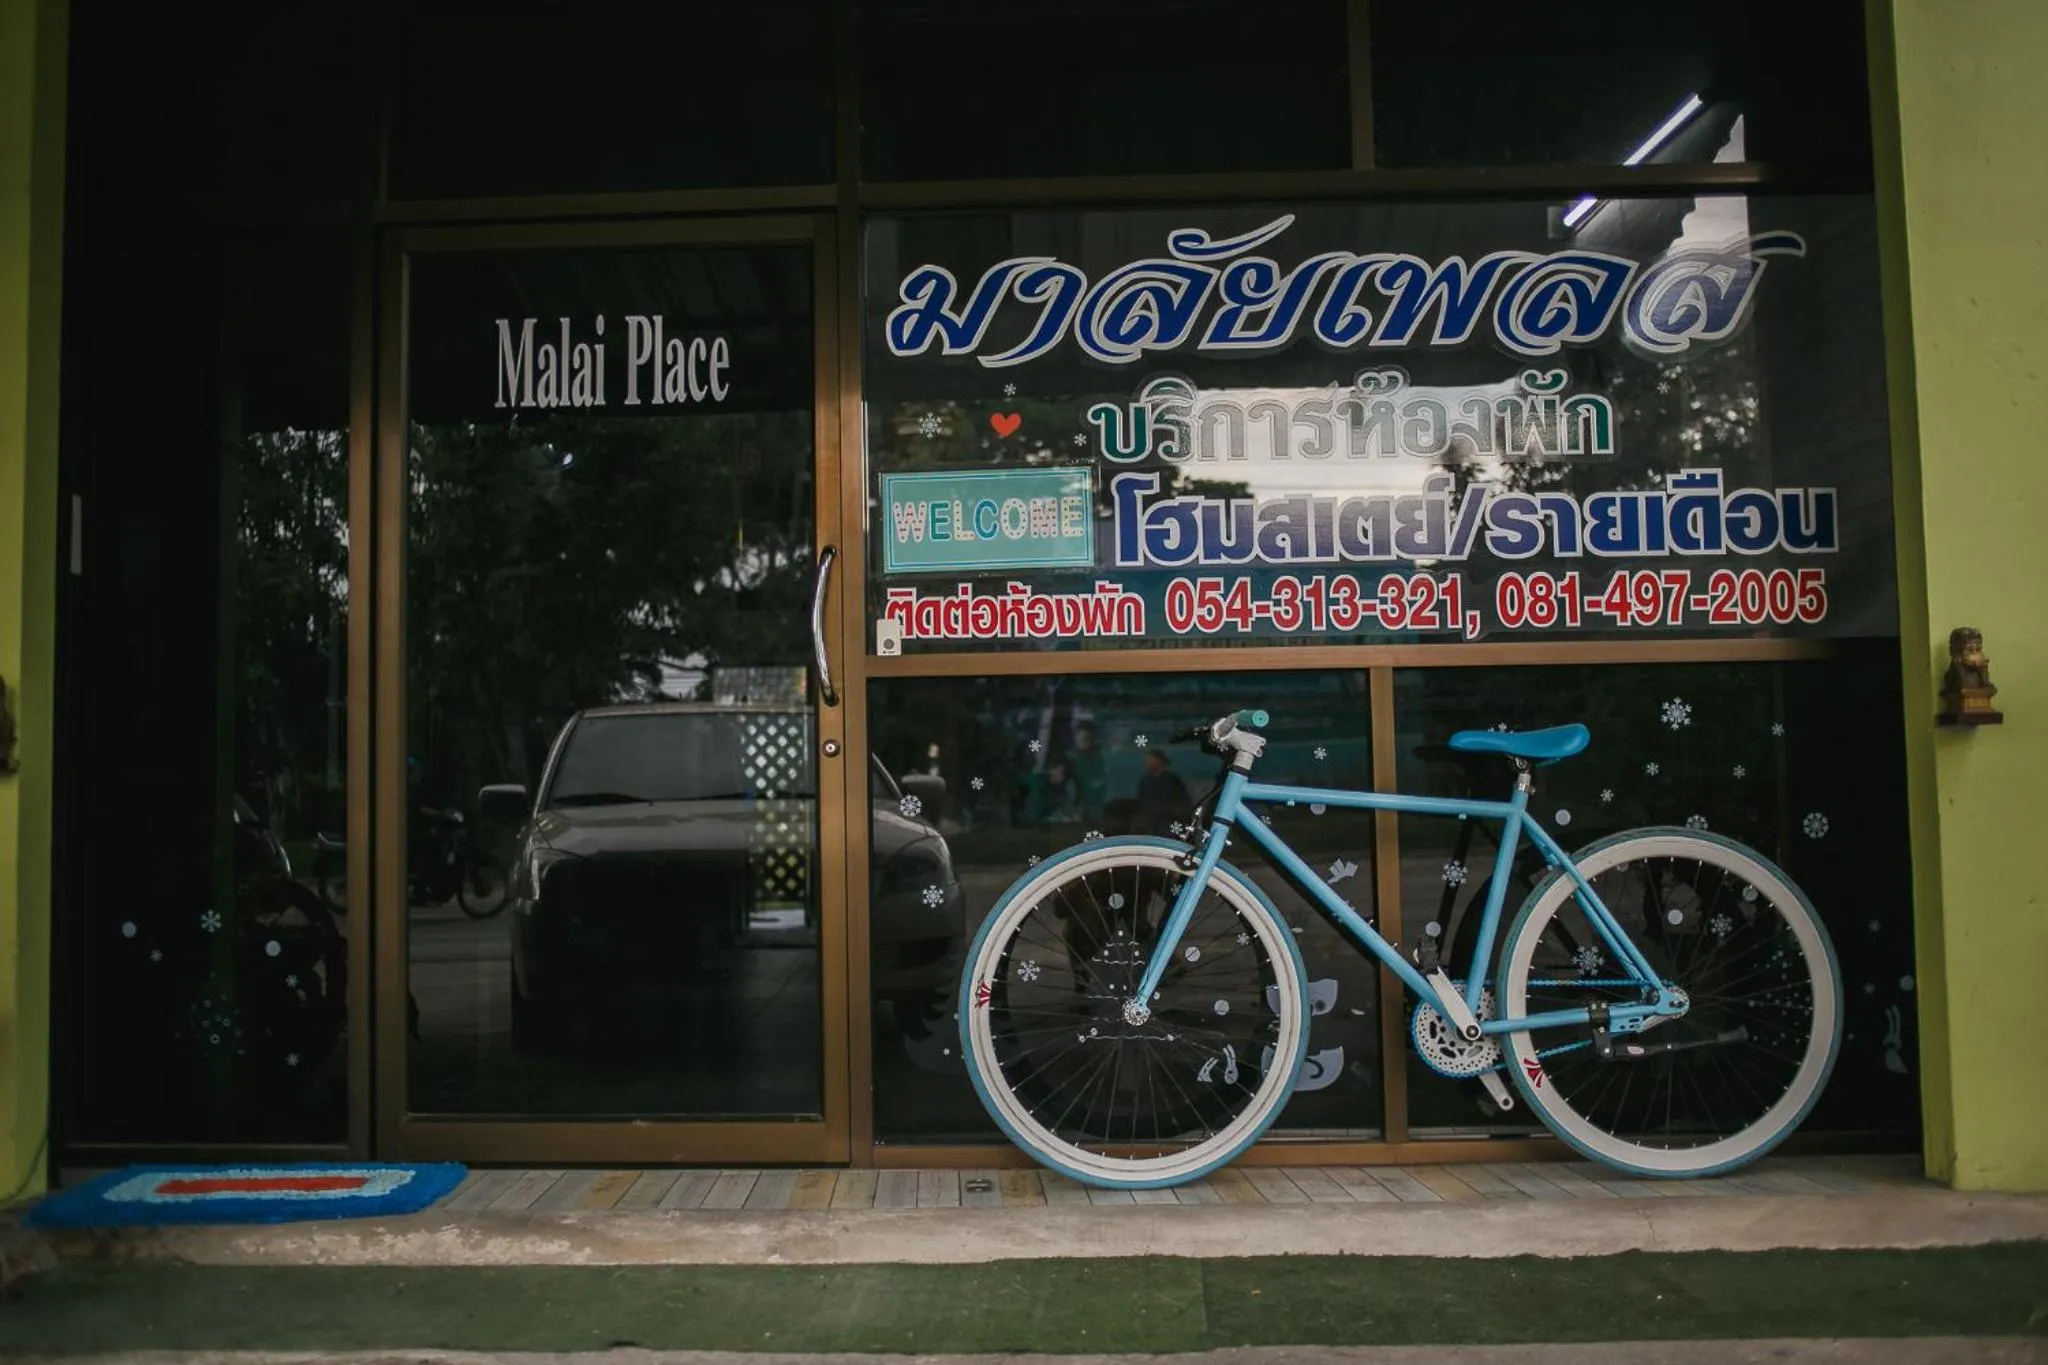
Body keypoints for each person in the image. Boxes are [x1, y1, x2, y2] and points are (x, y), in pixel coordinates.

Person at [1136, 748, 1191, 833]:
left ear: (1159, 761)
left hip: (1169, 823)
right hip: (1150, 824)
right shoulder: (1145, 781)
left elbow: (1183, 801)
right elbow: (1141, 800)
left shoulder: (1172, 780)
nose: (1148, 763)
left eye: (1151, 760)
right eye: (1148, 761)